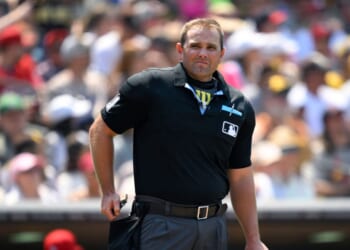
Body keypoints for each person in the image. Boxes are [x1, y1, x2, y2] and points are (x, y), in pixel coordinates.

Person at [89, 18, 268, 250]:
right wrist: (108, 191)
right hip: (161, 224)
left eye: (211, 47)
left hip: (213, 227)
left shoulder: (240, 106)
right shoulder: (150, 85)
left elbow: (241, 176)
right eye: (195, 46)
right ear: (180, 50)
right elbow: (100, 130)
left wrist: (253, 239)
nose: (203, 53)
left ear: (222, 53)